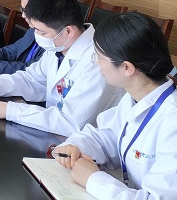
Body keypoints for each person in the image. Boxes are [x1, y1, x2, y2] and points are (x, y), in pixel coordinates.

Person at [0, 0, 123, 136]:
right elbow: (32, 79)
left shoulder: (98, 60)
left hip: (80, 144)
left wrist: (8, 110)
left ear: (68, 31)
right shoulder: (59, 46)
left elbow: (70, 122)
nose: (38, 37)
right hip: (53, 132)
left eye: (42, 32)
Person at [52, 13, 177, 199]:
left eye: (99, 57)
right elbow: (105, 136)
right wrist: (75, 146)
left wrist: (93, 179)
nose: (95, 62)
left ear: (127, 67)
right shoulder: (135, 96)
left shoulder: (172, 120)